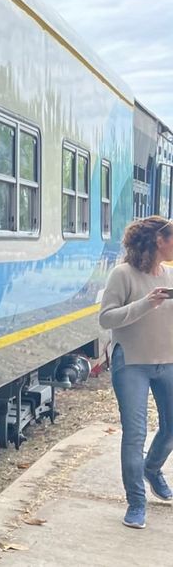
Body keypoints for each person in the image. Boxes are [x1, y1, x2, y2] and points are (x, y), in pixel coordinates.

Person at [99, 215, 173, 530]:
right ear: (159, 241)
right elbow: (106, 319)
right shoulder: (122, 275)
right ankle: (136, 503)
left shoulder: (169, 274)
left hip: (167, 362)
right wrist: (145, 304)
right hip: (131, 363)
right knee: (135, 435)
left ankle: (152, 468)